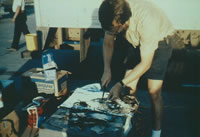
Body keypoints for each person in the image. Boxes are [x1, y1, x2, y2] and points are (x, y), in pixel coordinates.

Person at [98, 0, 175, 137]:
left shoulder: (147, 21)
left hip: (160, 40)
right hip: (136, 41)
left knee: (154, 92)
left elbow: (146, 64)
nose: (110, 32)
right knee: (130, 88)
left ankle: (156, 134)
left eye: (113, 29)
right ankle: (133, 127)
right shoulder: (113, 13)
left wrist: (119, 83)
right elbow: (108, 42)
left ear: (124, 22)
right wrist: (106, 70)